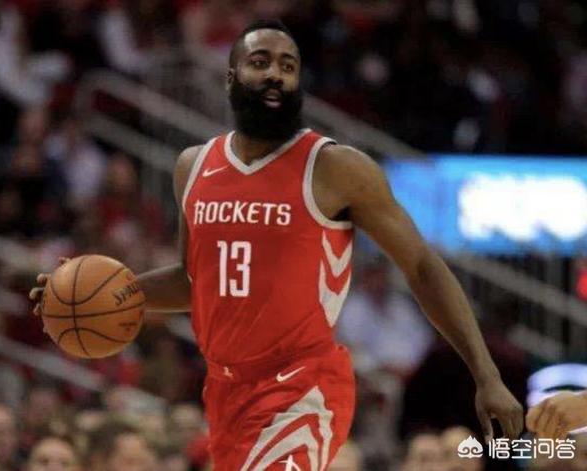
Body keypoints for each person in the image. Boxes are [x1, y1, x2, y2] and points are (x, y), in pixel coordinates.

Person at [31, 19, 523, 470]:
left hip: (302, 389)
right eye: (260, 62)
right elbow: (196, 281)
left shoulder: (335, 168)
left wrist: (486, 374)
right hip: (226, 392)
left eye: (288, 67)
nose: (276, 75)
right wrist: (95, 297)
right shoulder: (193, 167)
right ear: (231, 77)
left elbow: (422, 266)